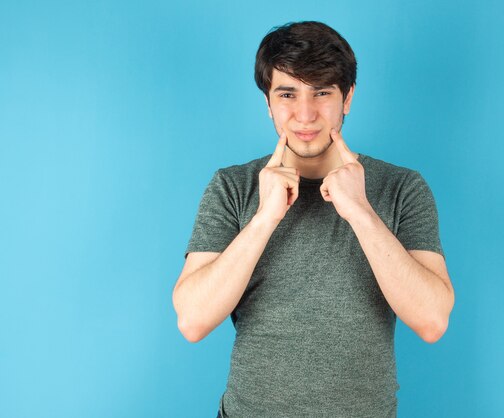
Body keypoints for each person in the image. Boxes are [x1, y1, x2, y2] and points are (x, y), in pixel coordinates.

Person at [172, 20, 454, 418]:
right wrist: (265, 218)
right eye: (288, 94)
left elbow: (432, 320)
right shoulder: (232, 187)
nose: (305, 115)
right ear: (268, 103)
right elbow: (193, 321)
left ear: (347, 98)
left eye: (322, 92)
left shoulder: (401, 187)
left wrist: (360, 211)